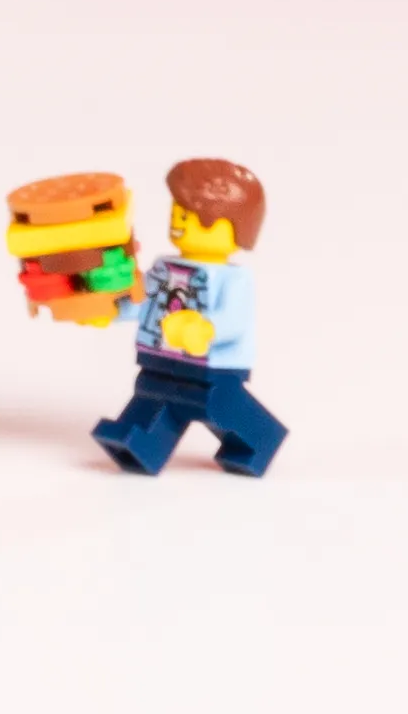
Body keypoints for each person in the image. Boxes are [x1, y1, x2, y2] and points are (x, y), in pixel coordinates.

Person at [93, 157, 285, 477]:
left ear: (231, 227)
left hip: (213, 366)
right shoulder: (164, 267)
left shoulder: (233, 279)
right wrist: (111, 311)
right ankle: (141, 440)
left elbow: (234, 322)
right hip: (161, 356)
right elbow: (145, 302)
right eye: (175, 212)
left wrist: (204, 329)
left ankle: (259, 438)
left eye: (187, 215)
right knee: (153, 392)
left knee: (214, 403)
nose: (177, 221)